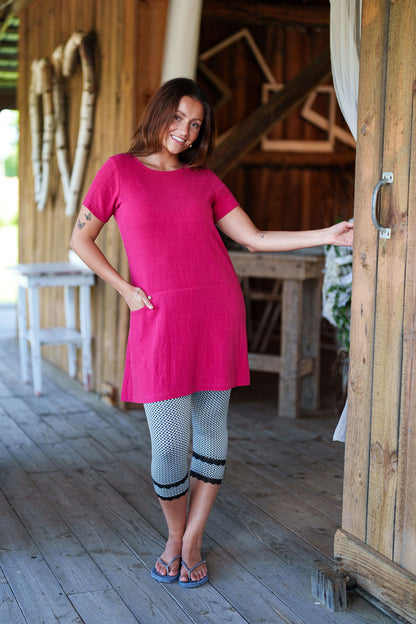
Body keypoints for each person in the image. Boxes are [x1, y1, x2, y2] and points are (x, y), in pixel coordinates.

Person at [70, 77, 353, 589]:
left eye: (195, 124)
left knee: (212, 437)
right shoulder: (119, 171)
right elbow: (80, 238)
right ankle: (174, 532)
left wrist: (327, 234)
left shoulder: (204, 181)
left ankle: (191, 540)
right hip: (157, 320)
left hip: (216, 314)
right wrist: (125, 289)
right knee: (168, 446)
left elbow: (256, 239)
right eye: (177, 118)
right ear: (159, 114)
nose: (184, 131)